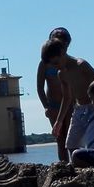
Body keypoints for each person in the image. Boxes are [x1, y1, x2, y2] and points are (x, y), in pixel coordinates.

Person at [40, 36, 94, 162]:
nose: (56, 67)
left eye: (56, 63)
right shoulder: (61, 74)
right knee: (71, 144)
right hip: (79, 109)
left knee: (91, 144)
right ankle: (78, 170)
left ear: (63, 52)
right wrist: (59, 121)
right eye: (53, 65)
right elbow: (67, 98)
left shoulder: (81, 65)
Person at [36, 27, 72, 162]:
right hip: (53, 105)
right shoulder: (44, 63)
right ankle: (64, 166)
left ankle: (76, 166)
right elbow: (39, 88)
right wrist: (46, 106)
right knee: (60, 139)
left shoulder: (68, 61)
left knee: (71, 137)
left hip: (70, 104)